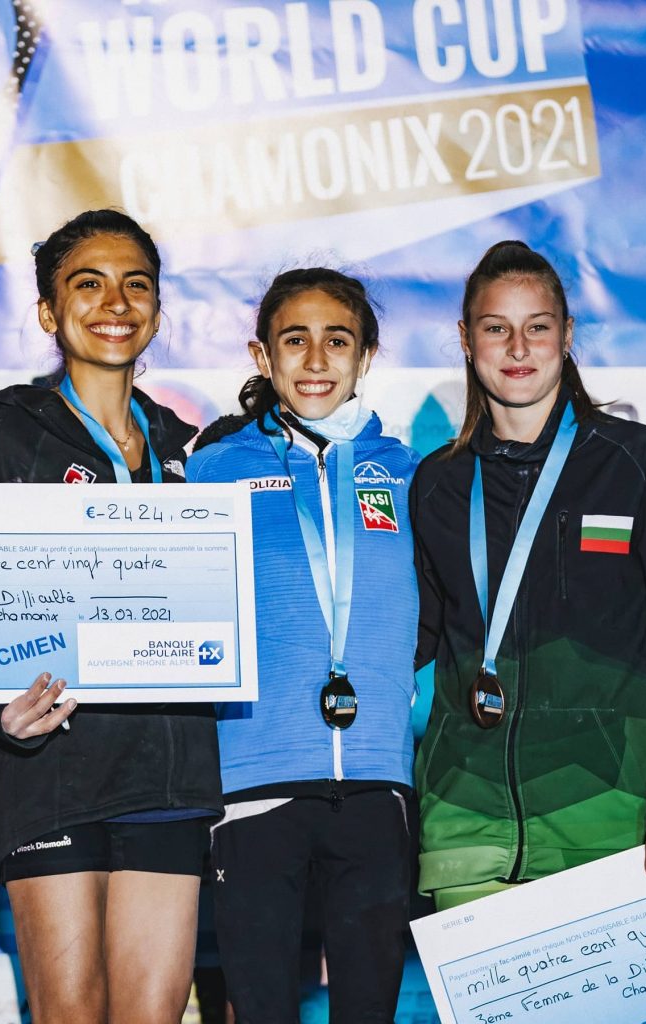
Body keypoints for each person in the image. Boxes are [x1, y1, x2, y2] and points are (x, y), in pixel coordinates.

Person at [0, 210, 223, 1023]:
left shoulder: (193, 454)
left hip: (169, 777)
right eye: (88, 284)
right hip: (52, 771)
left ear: (157, 310)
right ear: (49, 312)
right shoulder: (9, 437)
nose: (115, 302)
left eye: (136, 284)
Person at [411, 240, 646, 912]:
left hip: (605, 825)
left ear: (567, 334)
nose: (517, 347)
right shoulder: (436, 483)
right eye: (496, 327)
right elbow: (404, 643)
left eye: (538, 326)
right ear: (465, 338)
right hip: (464, 832)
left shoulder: (637, 464)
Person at [186, 268, 420, 1022]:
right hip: (253, 784)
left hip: (377, 781)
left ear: (366, 355)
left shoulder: (409, 472)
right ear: (262, 355)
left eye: (337, 340)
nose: (316, 360)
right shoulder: (212, 470)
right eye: (295, 340)